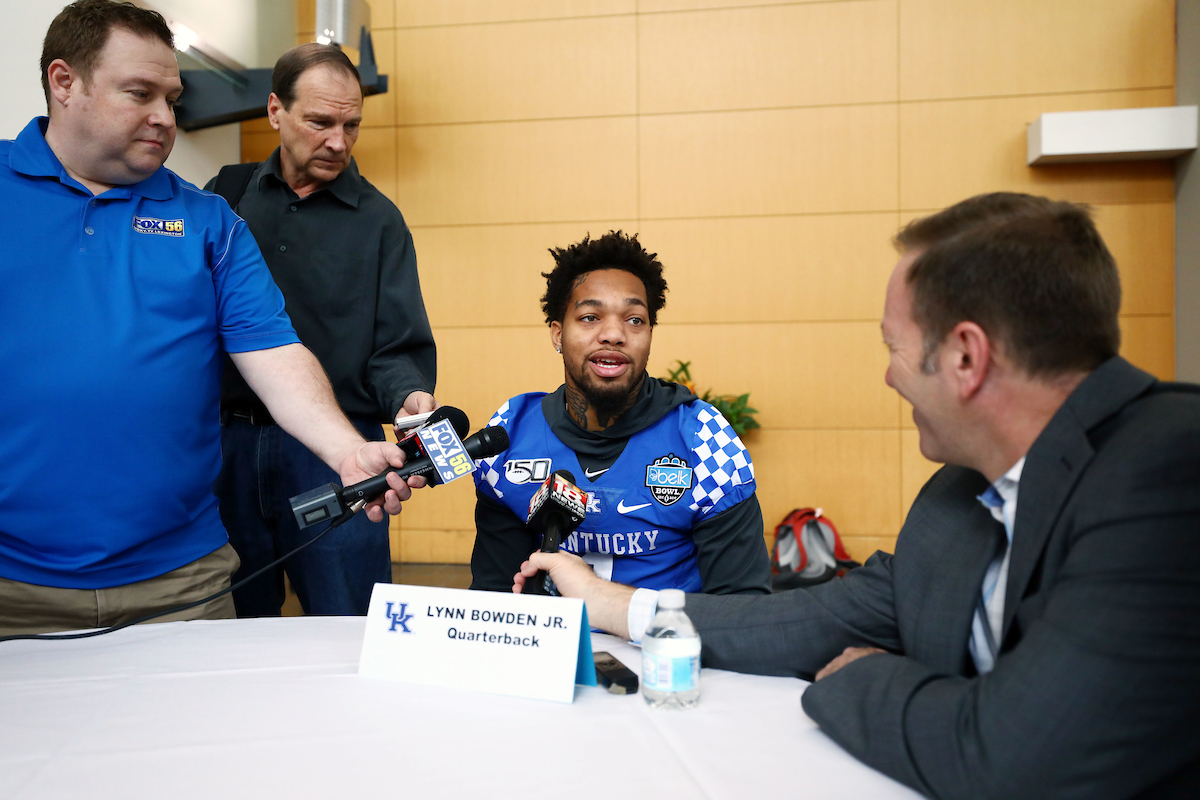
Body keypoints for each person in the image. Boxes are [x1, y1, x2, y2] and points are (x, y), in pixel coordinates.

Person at [516, 194, 1200, 799]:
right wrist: (611, 604)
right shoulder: (957, 495)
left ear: (966, 357)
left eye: (893, 348)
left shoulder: (1170, 474)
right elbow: (817, 618)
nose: (888, 378)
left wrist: (861, 679)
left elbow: (1014, 761)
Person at [0, 0, 413, 637]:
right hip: (13, 585)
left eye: (172, 97)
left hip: (181, 582)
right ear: (64, 82)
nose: (165, 118)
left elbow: (275, 354)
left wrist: (347, 450)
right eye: (140, 93)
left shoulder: (210, 221)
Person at [204, 44, 436, 618]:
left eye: (351, 125)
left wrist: (411, 397)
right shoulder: (224, 198)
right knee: (231, 634)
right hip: (225, 448)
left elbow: (395, 348)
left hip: (336, 453)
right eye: (320, 122)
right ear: (275, 111)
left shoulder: (380, 221)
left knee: (347, 626)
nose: (339, 141)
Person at [472, 230, 770, 609]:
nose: (613, 334)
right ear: (558, 334)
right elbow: (492, 599)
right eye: (590, 316)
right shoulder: (512, 432)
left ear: (649, 334)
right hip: (552, 653)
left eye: (634, 319)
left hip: (667, 652)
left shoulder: (702, 439)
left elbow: (744, 607)